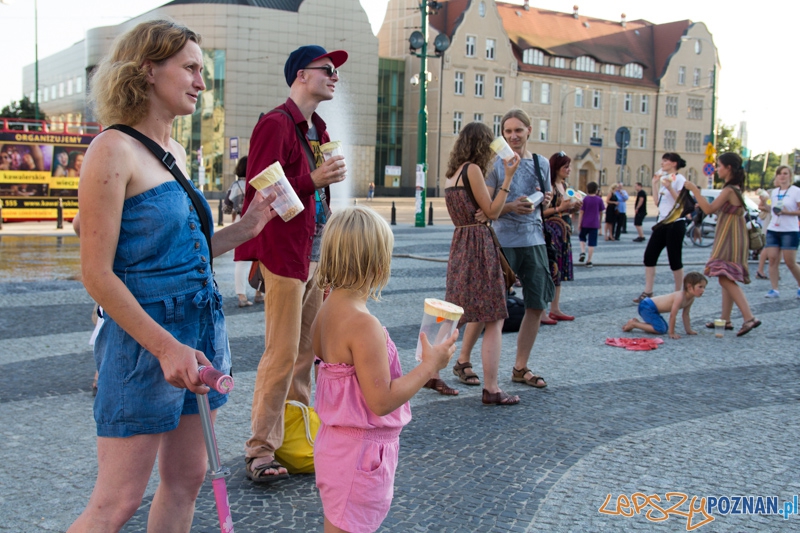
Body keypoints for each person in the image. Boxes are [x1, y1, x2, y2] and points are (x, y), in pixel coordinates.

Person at [67, 20, 278, 532]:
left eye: (201, 72)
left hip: (202, 330)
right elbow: (96, 275)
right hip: (146, 342)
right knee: (117, 501)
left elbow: (184, 252)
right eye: (189, 69)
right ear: (147, 69)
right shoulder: (111, 150)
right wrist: (165, 348)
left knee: (187, 479)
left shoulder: (177, 154)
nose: (201, 84)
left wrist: (247, 227)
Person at [236, 44, 348, 482]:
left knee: (305, 354)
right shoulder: (275, 123)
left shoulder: (316, 128)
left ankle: (293, 441)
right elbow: (262, 194)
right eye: (327, 69)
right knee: (281, 354)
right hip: (284, 256)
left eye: (336, 70)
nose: (334, 76)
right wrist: (313, 180)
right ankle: (260, 449)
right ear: (301, 75)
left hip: (313, 253)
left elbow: (317, 195)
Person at [312, 206, 457, 533]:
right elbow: (380, 401)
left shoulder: (326, 310)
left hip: (335, 447)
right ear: (377, 263)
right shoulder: (364, 325)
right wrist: (430, 366)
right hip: (361, 456)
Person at [463, 108, 554, 391]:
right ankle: (463, 359)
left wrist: (547, 200)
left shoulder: (541, 163)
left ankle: (520, 366)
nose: (513, 136)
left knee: (537, 304)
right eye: (507, 132)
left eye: (518, 130)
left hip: (534, 239)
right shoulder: (495, 164)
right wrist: (513, 206)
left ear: (529, 130)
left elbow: (546, 204)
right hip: (502, 242)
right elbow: (485, 210)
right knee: (488, 306)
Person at [443, 121, 521, 404]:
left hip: (461, 243)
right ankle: (492, 388)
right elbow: (493, 211)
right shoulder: (472, 170)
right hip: (478, 245)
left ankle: (431, 374)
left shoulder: (452, 173)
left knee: (455, 313)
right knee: (494, 317)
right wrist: (508, 179)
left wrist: (484, 213)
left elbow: (478, 210)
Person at [684, 152, 761, 337]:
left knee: (724, 277)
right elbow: (721, 211)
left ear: (729, 168)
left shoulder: (729, 190)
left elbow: (709, 208)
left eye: (719, 166)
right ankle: (725, 320)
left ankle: (749, 318)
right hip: (732, 235)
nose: (717, 169)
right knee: (727, 277)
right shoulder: (734, 189)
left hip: (730, 237)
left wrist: (695, 190)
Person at [634, 153, 688, 303]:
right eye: (662, 160)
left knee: (674, 259)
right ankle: (648, 291)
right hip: (662, 222)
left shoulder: (679, 179)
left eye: (665, 160)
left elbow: (681, 202)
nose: (662, 163)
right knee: (649, 256)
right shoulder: (665, 179)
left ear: (674, 163)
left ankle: (679, 293)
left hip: (676, 223)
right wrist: (654, 183)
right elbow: (657, 203)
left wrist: (670, 188)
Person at [543, 151, 577, 321]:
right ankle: (541, 311)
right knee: (548, 271)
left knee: (559, 271)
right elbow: (541, 212)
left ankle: (555, 308)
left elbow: (565, 208)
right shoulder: (548, 186)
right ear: (556, 168)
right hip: (551, 234)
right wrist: (559, 209)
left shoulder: (564, 185)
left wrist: (573, 208)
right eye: (566, 166)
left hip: (563, 235)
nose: (569, 169)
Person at [622, 272, 706, 339]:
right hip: (646, 306)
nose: (703, 290)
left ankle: (637, 323)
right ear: (689, 287)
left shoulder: (691, 298)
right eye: (700, 287)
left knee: (664, 328)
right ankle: (634, 324)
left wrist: (689, 330)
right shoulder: (680, 296)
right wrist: (672, 333)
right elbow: (673, 315)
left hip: (651, 308)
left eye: (704, 287)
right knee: (660, 329)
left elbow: (686, 314)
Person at [228, 156, 262, 307]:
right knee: (260, 259)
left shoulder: (236, 185)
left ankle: (241, 296)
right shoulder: (257, 183)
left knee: (241, 261)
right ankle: (259, 292)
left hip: (240, 221)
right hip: (258, 221)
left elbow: (227, 208)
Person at [763, 165, 800, 298]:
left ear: (790, 176)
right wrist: (764, 204)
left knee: (790, 262)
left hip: (790, 230)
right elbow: (771, 208)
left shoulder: (796, 191)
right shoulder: (774, 192)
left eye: (785, 173)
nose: (782, 176)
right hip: (774, 228)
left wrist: (786, 212)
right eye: (780, 174)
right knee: (772, 259)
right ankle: (774, 289)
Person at [578, 181, 604, 268]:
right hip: (594, 224)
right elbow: (601, 212)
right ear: (596, 190)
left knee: (582, 238)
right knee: (592, 243)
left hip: (585, 223)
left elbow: (581, 212)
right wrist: (600, 223)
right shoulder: (599, 200)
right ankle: (589, 261)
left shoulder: (585, 199)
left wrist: (579, 223)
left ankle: (582, 252)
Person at [755, 185, 773, 279]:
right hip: (771, 222)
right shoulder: (770, 193)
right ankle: (760, 270)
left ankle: (774, 271)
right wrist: (772, 209)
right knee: (768, 247)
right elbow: (761, 206)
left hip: (780, 223)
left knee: (777, 249)